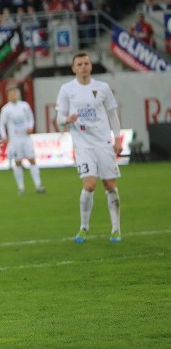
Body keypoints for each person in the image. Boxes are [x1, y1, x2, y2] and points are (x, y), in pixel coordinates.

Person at [55, 52, 123, 243]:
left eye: (86, 63)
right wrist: (67, 120)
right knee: (89, 185)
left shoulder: (102, 88)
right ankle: (84, 227)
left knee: (109, 185)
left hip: (103, 143)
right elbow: (59, 118)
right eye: (79, 64)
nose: (83, 66)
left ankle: (116, 229)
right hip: (83, 145)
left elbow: (112, 114)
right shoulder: (67, 89)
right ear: (73, 68)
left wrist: (117, 139)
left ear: (91, 66)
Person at [0, 86, 45, 195]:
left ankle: (38, 185)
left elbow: (30, 118)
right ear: (8, 96)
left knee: (32, 160)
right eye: (11, 94)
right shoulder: (6, 109)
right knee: (18, 162)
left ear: (18, 95)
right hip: (15, 140)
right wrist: (4, 136)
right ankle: (21, 187)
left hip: (26, 138)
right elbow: (1, 124)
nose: (13, 96)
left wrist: (30, 127)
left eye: (15, 93)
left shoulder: (24, 106)